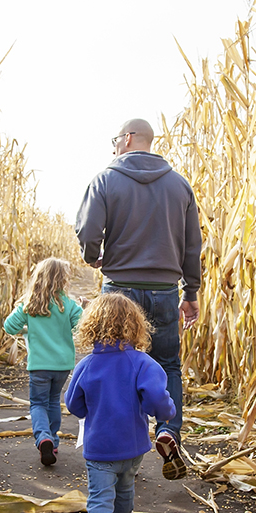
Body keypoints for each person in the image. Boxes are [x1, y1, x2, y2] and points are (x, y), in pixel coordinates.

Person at [74, 118, 202, 480]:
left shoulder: (105, 180)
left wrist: (92, 255)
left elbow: (87, 229)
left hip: (119, 289)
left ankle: (113, 451)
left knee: (111, 364)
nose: (114, 147)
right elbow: (193, 245)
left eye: (116, 140)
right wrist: (190, 292)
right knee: (167, 364)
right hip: (165, 290)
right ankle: (167, 429)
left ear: (127, 139)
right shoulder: (180, 186)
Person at [66, 293, 176, 513]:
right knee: (125, 488)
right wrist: (165, 413)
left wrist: (92, 405)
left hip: (99, 448)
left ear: (92, 327)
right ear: (136, 326)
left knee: (100, 500)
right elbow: (157, 400)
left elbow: (73, 405)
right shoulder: (143, 363)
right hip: (133, 447)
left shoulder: (86, 365)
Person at [3, 258, 83, 465]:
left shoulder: (29, 305)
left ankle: (43, 437)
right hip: (63, 364)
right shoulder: (69, 305)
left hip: (39, 365)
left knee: (38, 403)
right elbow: (82, 327)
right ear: (63, 280)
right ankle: (53, 441)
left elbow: (9, 327)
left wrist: (28, 330)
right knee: (53, 400)